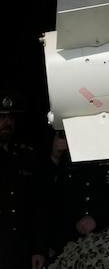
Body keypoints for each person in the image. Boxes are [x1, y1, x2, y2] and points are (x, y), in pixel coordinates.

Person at [0, 91, 48, 269]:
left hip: (21, 248)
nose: (8, 122)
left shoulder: (26, 154)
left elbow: (39, 204)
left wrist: (39, 248)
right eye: (2, 117)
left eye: (10, 117)